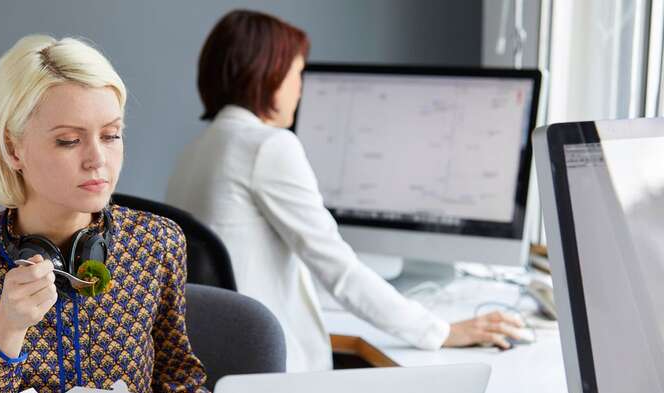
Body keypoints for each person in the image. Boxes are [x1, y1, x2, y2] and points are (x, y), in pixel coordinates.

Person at [166, 10, 528, 372]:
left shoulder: (197, 150)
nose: (300, 89)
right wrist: (440, 331)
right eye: (297, 74)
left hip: (222, 365)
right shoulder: (268, 146)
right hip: (275, 372)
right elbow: (337, 268)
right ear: (267, 74)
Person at [0, 35, 210, 393]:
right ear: (12, 148)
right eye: (69, 140)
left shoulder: (156, 242)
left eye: (111, 135)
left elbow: (181, 389)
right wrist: (6, 328)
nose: (97, 159)